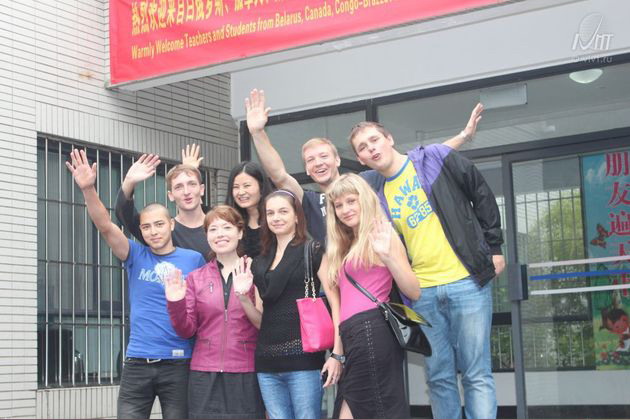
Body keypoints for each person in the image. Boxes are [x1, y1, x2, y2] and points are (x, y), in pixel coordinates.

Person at [348, 120, 506, 419]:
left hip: (467, 282)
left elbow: (482, 194)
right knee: (438, 376)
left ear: (389, 138)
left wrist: (495, 247)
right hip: (422, 293)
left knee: (476, 372)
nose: (372, 149)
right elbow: (336, 189)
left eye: (375, 140)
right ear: (361, 158)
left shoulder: (434, 159)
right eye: (363, 148)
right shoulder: (373, 188)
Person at [65, 148, 206, 419]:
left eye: (159, 225)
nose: (153, 231)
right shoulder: (135, 255)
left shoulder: (194, 259)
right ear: (140, 230)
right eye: (146, 227)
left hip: (179, 363)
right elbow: (105, 226)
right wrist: (88, 189)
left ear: (171, 225)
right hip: (137, 362)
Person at [245, 88, 482, 241]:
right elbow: (279, 175)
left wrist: (463, 136)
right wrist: (257, 133)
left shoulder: (366, 181)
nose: (318, 163)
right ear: (306, 170)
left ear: (338, 160)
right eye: (311, 160)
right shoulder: (310, 202)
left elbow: (423, 161)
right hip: (337, 283)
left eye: (324, 156)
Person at [320, 173, 421, 419]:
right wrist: (337, 353)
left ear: (364, 199)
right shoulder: (345, 245)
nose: (345, 210)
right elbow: (341, 308)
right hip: (352, 335)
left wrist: (387, 256)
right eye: (339, 205)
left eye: (351, 201)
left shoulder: (382, 233)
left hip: (372, 331)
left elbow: (413, 290)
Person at [164, 205, 266, 419]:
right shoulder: (196, 277)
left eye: (227, 227)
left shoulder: (256, 271)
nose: (220, 234)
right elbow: (186, 330)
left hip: (245, 370)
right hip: (204, 372)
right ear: (207, 236)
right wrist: (175, 303)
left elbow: (265, 325)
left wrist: (244, 296)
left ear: (240, 232)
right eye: (213, 229)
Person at [251, 189, 342, 419]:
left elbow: (336, 303)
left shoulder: (312, 250)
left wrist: (337, 354)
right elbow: (260, 316)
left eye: (283, 211)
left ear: (296, 216)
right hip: (266, 362)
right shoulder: (259, 262)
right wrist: (243, 297)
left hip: (304, 360)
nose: (276, 217)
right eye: (270, 213)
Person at [115, 145, 211, 258]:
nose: (186, 192)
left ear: (202, 189)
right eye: (178, 187)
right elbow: (125, 215)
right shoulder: (163, 230)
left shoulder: (220, 224)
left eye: (192, 184)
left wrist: (188, 170)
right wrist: (129, 181)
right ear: (170, 195)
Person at [224, 161, 274, 257]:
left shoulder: (275, 219)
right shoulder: (229, 222)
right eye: (236, 187)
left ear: (261, 187)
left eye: (247, 186)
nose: (241, 192)